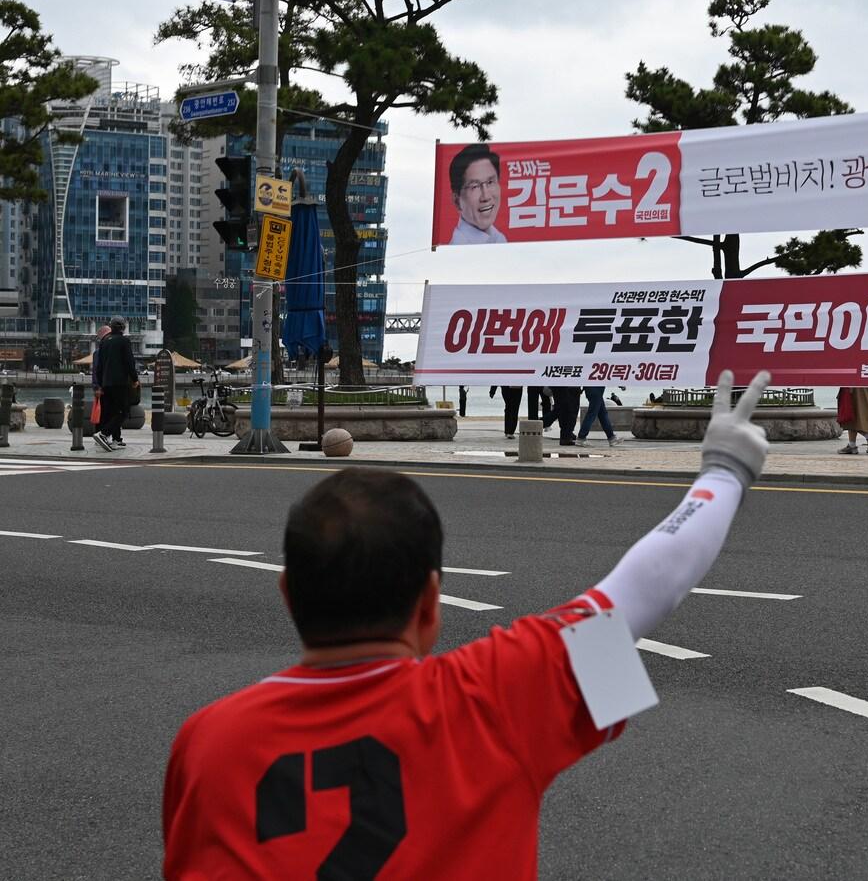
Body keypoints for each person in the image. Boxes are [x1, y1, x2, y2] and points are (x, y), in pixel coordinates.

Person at [162, 371, 772, 880]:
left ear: (288, 596)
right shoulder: (495, 700)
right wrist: (724, 470)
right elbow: (643, 593)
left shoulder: (207, 743)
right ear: (431, 604)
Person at [446, 143, 507, 245]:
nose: (486, 196)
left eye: (490, 182)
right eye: (474, 187)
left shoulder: (498, 238)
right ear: (457, 201)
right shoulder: (459, 248)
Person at [93, 317, 138, 452]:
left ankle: (115, 440)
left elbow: (99, 366)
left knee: (112, 411)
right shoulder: (124, 341)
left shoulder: (104, 342)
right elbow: (129, 362)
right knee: (124, 411)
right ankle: (103, 433)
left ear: (111, 327)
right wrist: (134, 379)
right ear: (123, 328)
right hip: (119, 382)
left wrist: (100, 385)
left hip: (106, 383)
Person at [835, 386, 868, 454]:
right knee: (851, 411)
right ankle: (852, 445)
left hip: (856, 383)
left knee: (852, 409)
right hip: (858, 382)